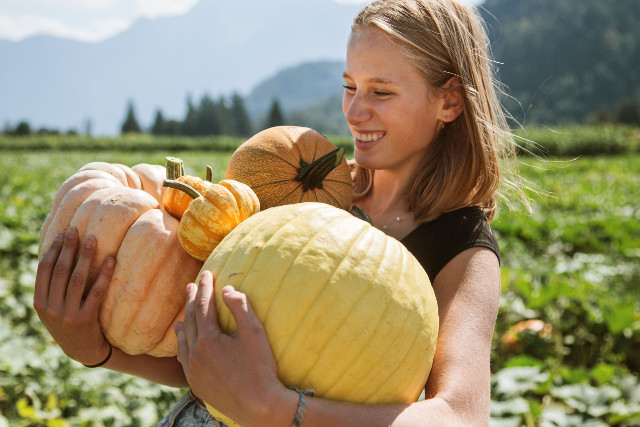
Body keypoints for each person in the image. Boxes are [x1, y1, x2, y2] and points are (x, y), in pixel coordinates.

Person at [34, 0, 527, 425]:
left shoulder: (462, 249)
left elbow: (461, 417)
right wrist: (96, 350)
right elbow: (214, 353)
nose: (354, 113)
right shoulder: (303, 180)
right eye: (349, 86)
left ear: (449, 102)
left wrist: (281, 413)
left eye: (381, 92)